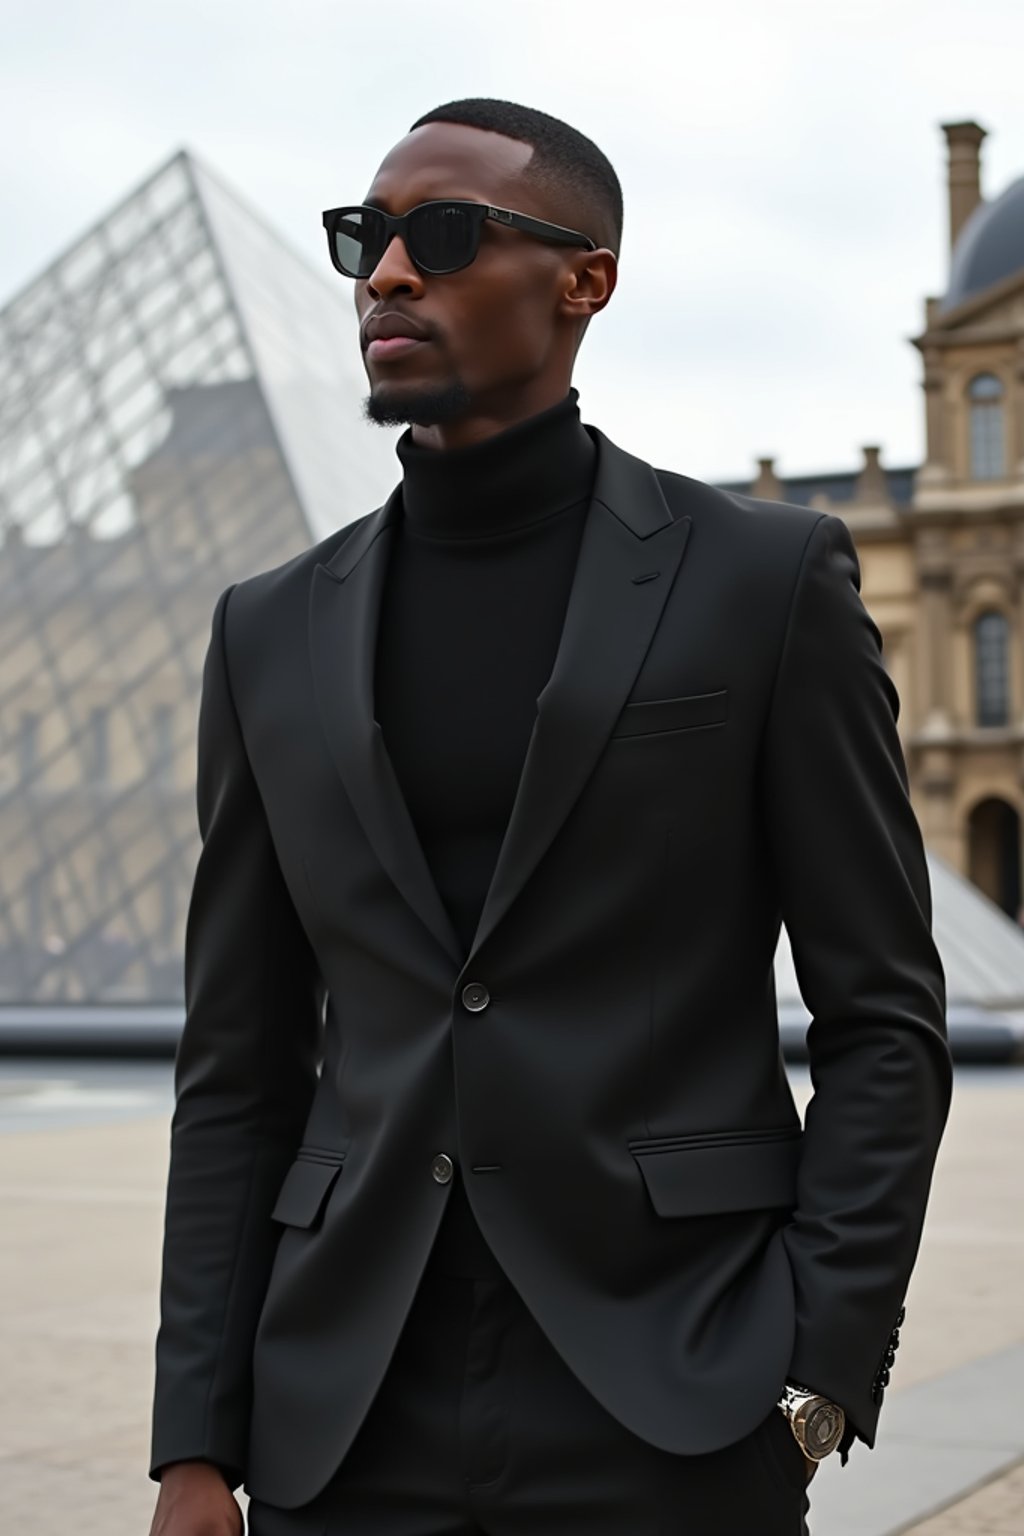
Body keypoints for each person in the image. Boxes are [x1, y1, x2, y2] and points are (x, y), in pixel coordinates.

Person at [147, 99, 952, 1536]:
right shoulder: (265, 629)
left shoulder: (765, 585)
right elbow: (237, 1069)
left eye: (444, 236)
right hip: (341, 1417)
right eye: (366, 238)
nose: (388, 274)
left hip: (676, 1401)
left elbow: (882, 1018)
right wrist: (194, 1443)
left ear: (587, 280)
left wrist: (817, 1375)